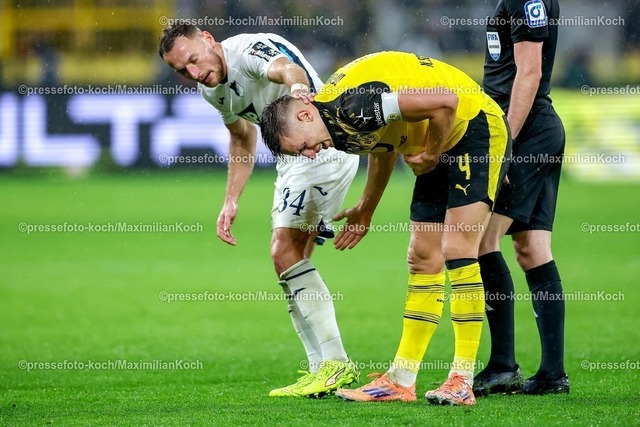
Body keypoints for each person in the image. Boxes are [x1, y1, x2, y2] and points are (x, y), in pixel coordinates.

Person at [261, 51, 511, 406]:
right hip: (436, 137)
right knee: (422, 257)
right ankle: (401, 380)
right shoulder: (337, 129)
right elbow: (384, 146)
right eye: (303, 154)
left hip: (473, 124)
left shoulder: (353, 105)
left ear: (304, 115)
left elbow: (445, 102)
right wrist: (366, 209)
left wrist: (432, 154)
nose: (311, 154)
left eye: (303, 147)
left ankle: (461, 379)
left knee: (457, 249)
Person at [158, 24, 360, 397]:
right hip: (293, 161)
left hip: (319, 147)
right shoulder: (211, 90)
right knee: (292, 266)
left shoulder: (248, 51)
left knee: (283, 252)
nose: (194, 72)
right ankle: (320, 370)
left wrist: (298, 92)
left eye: (194, 60)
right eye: (182, 70)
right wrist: (231, 199)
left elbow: (287, 69)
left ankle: (334, 364)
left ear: (208, 39)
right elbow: (241, 137)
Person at [473, 0, 570, 395]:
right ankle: (552, 375)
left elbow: (530, 72)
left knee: (481, 240)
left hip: (525, 131)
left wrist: (506, 144)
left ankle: (502, 366)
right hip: (537, 129)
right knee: (532, 248)